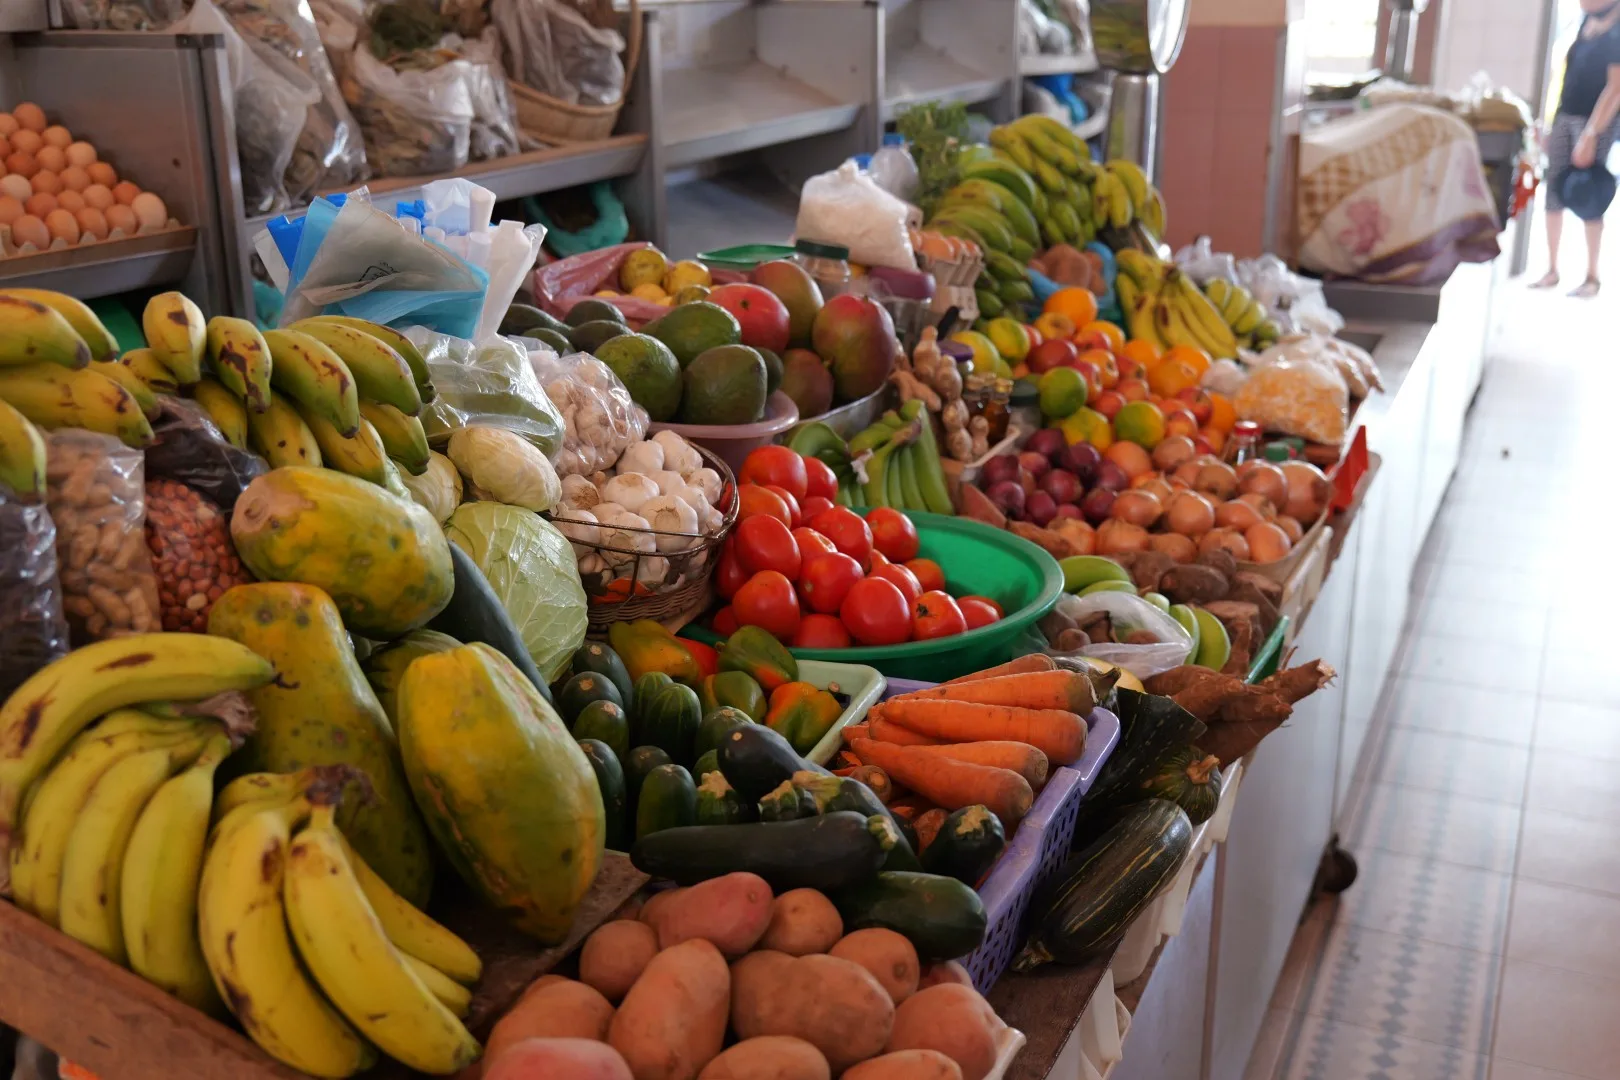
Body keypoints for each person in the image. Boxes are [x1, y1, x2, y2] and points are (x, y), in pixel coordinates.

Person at [1534, 0, 1620, 298]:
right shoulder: (1586, 23)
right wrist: (1551, 124)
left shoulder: (1617, 31)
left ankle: (1592, 276)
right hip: (1565, 115)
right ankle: (1551, 269)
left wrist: (1591, 134)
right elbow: (1567, 77)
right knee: (1554, 190)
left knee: (1589, 194)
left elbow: (1616, 88)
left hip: (1593, 122)